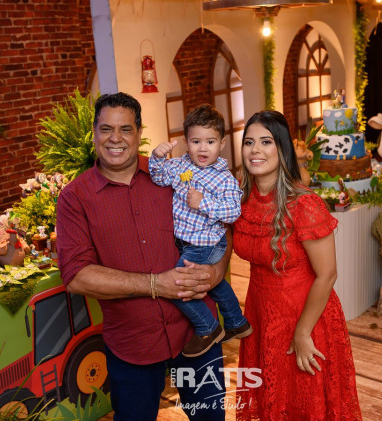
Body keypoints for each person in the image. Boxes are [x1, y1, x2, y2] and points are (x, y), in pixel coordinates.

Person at [56, 93, 229, 421]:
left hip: (197, 332)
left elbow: (220, 222)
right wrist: (155, 284)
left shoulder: (175, 174)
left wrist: (218, 269)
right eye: (106, 129)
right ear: (94, 134)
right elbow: (76, 276)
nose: (116, 138)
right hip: (132, 345)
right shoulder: (74, 198)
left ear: (138, 133)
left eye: (125, 129)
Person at [233, 110, 362, 420]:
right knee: (271, 400)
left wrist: (302, 333)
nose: (255, 150)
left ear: (282, 149)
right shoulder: (240, 198)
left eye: (266, 142)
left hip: (305, 317)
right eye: (249, 142)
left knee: (304, 402)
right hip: (261, 314)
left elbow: (327, 274)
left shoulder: (304, 203)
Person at [149, 104, 252, 358]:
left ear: (222, 143)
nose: (203, 148)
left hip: (207, 244)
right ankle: (237, 322)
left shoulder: (224, 179)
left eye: (210, 142)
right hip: (185, 242)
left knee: (179, 284)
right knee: (215, 285)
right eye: (196, 141)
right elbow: (159, 177)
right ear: (186, 142)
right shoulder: (179, 165)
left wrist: (203, 203)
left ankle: (208, 328)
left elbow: (232, 212)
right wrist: (158, 157)